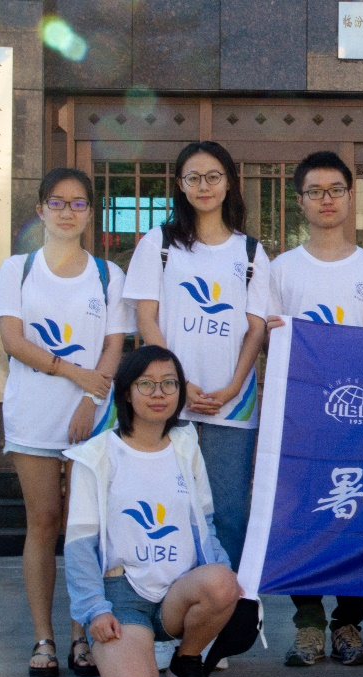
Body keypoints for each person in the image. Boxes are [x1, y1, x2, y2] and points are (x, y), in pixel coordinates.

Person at [0, 167, 134, 677]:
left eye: (77, 203)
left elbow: (114, 346)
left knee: (83, 527)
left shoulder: (107, 275)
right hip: (33, 415)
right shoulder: (18, 269)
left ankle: (80, 635)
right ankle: (43, 638)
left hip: (91, 418)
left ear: (90, 213)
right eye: (57, 202)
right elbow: (13, 341)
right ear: (40, 210)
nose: (67, 212)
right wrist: (75, 374)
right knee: (44, 522)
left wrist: (91, 400)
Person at [64, 345, 240, 677]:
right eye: (146, 384)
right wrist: (95, 609)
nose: (158, 394)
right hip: (122, 595)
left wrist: (229, 594)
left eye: (169, 383)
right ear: (127, 392)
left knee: (224, 580)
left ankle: (186, 659)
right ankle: (132, 647)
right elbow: (80, 545)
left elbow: (205, 525)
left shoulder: (186, 446)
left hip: (178, 591)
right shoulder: (95, 456)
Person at [123, 140, 270, 574]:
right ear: (180, 185)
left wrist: (232, 387)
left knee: (229, 511)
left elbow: (256, 328)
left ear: (229, 184)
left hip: (232, 402)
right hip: (169, 399)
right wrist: (177, 383)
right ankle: (171, 600)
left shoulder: (250, 251)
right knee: (170, 505)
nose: (203, 186)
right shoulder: (159, 243)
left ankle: (227, 600)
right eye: (193, 178)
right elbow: (146, 318)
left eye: (213, 177)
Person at [267, 151, 363, 667]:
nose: (326, 200)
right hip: (301, 418)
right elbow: (267, 341)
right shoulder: (280, 269)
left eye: (336, 190)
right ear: (300, 201)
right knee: (304, 517)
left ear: (350, 196)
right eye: (315, 191)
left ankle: (349, 623)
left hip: (360, 419)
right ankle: (309, 623)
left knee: (356, 517)